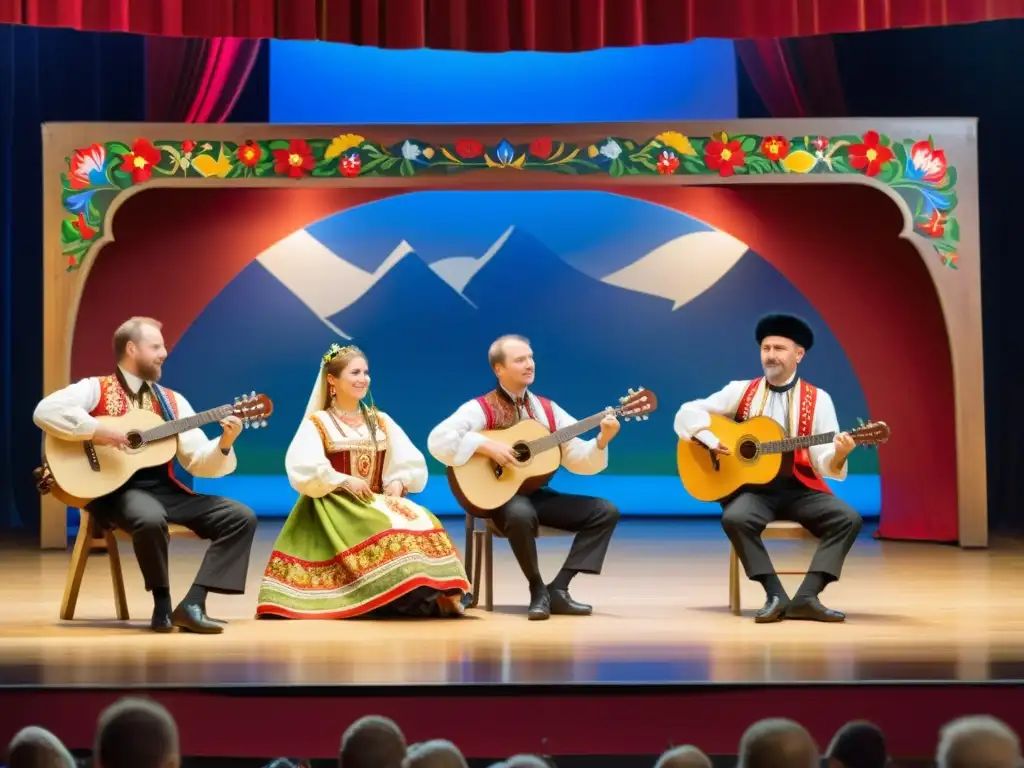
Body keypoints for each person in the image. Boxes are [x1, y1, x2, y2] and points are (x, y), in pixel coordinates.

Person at [33, 317, 257, 634]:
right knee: (149, 517)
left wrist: (225, 442)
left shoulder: (172, 401)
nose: (164, 352)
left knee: (241, 516)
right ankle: (162, 604)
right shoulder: (95, 389)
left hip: (164, 491)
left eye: (163, 346)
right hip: (113, 493)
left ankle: (192, 603)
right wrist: (98, 430)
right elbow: (44, 411)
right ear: (131, 348)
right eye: (156, 346)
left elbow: (197, 461)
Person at [256, 344, 470, 619]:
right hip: (335, 505)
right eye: (355, 372)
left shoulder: (379, 420)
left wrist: (398, 483)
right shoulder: (319, 422)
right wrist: (343, 479)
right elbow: (304, 466)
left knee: (423, 518)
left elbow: (408, 461)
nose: (363, 379)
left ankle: (437, 589)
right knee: (384, 529)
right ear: (332, 380)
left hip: (377, 501)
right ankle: (400, 594)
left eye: (366, 372)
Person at [673, 314, 862, 623]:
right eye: (766, 348)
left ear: (798, 355)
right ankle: (774, 593)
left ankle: (807, 596)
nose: (771, 355)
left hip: (799, 488)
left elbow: (824, 462)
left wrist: (840, 453)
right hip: (754, 491)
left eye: (779, 348)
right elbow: (686, 413)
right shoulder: (740, 390)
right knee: (735, 518)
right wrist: (708, 438)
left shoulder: (818, 400)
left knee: (848, 519)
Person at [427, 334, 621, 621]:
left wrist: (602, 440)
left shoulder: (548, 410)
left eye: (530, 358)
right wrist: (485, 445)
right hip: (498, 500)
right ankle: (537, 588)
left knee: (605, 511)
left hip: (534, 495)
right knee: (520, 513)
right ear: (499, 369)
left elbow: (578, 460)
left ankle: (559, 588)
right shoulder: (480, 408)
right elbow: (438, 440)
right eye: (520, 360)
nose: (529, 364)